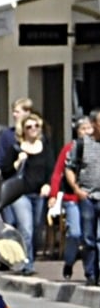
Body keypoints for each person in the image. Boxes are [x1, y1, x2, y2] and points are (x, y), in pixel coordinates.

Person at [48, 115, 100, 282]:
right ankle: (84, 269)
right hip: (81, 197)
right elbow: (63, 170)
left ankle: (96, 272)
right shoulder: (79, 146)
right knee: (83, 236)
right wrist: (73, 190)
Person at [0, 112, 52, 272]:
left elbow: (51, 169)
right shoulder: (16, 148)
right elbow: (5, 170)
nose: (33, 129)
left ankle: (31, 255)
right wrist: (17, 162)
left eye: (36, 126)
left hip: (39, 194)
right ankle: (27, 263)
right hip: (21, 194)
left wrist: (48, 185)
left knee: (37, 229)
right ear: (23, 130)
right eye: (29, 127)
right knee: (26, 228)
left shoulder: (45, 147)